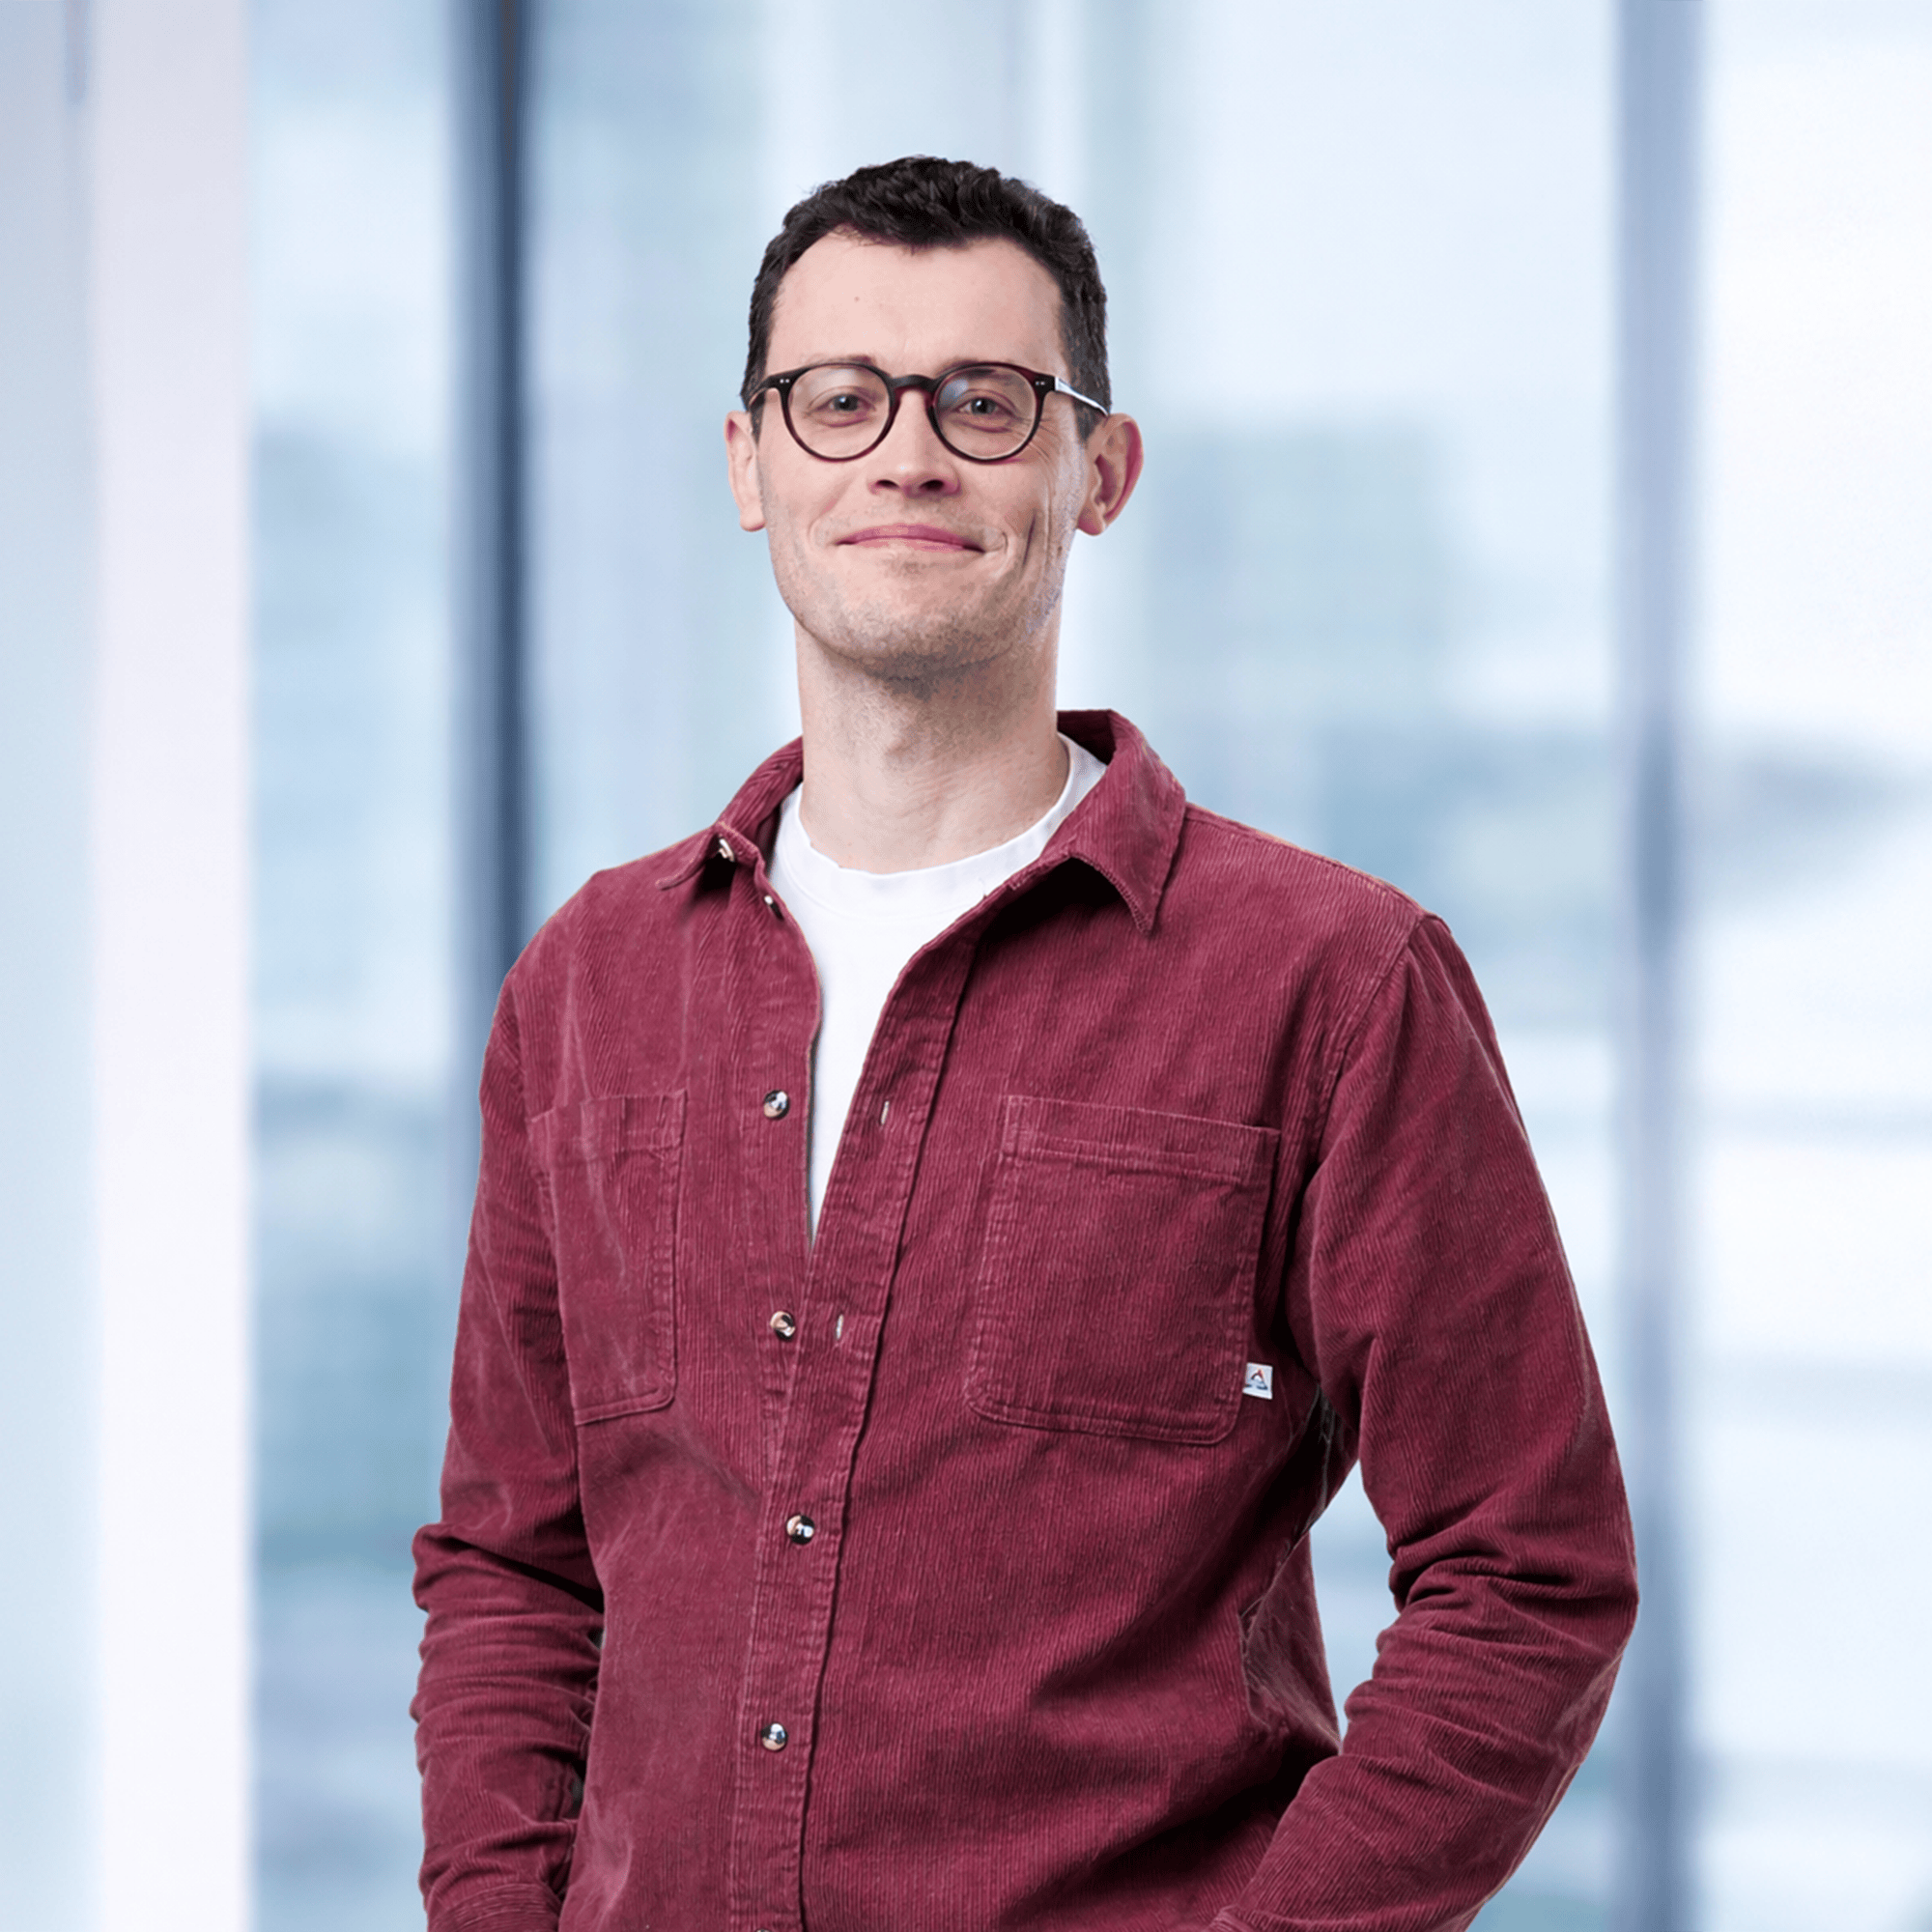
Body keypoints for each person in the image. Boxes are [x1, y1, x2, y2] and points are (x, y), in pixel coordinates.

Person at [412, 156, 1636, 1932]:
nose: (906, 455)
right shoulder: (589, 984)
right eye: (839, 400)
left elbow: (1529, 1579)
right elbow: (514, 1572)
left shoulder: (1335, 983)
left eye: (984, 403)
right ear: (750, 467)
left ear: (1099, 472)